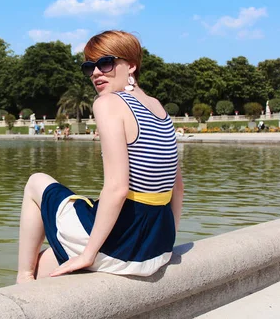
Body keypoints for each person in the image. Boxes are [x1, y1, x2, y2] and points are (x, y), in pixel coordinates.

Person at [16, 30, 184, 283]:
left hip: (124, 239)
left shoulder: (108, 103)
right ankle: (34, 273)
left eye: (105, 63)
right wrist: (166, 242)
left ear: (131, 65)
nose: (95, 72)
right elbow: (177, 187)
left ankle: (23, 276)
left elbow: (117, 188)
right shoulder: (157, 106)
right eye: (89, 66)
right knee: (47, 259)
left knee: (35, 182)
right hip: (156, 245)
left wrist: (88, 254)